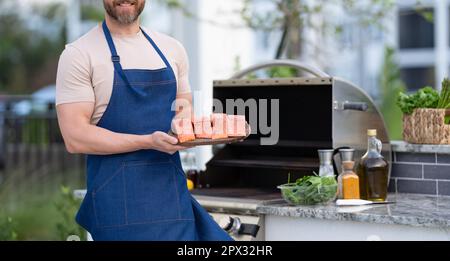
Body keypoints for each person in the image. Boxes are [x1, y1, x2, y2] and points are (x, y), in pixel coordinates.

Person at [56, 0, 232, 241]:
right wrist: (147, 141)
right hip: (116, 206)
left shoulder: (172, 49)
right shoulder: (79, 54)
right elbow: (75, 137)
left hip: (172, 200)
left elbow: (183, 106)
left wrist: (185, 131)